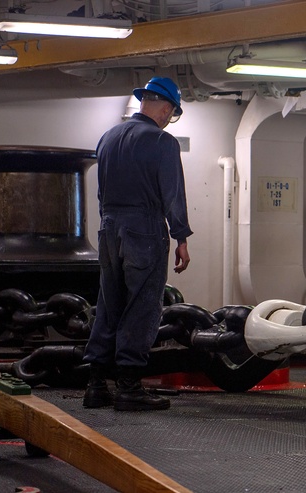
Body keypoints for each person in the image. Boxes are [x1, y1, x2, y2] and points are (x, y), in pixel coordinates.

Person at [82, 76, 192, 412]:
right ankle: (129, 387)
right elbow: (172, 194)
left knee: (109, 304)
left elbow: (101, 192)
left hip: (109, 227)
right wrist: (181, 237)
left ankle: (96, 385)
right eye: (170, 112)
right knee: (142, 306)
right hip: (143, 230)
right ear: (164, 106)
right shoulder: (162, 142)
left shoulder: (108, 137)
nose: (167, 118)